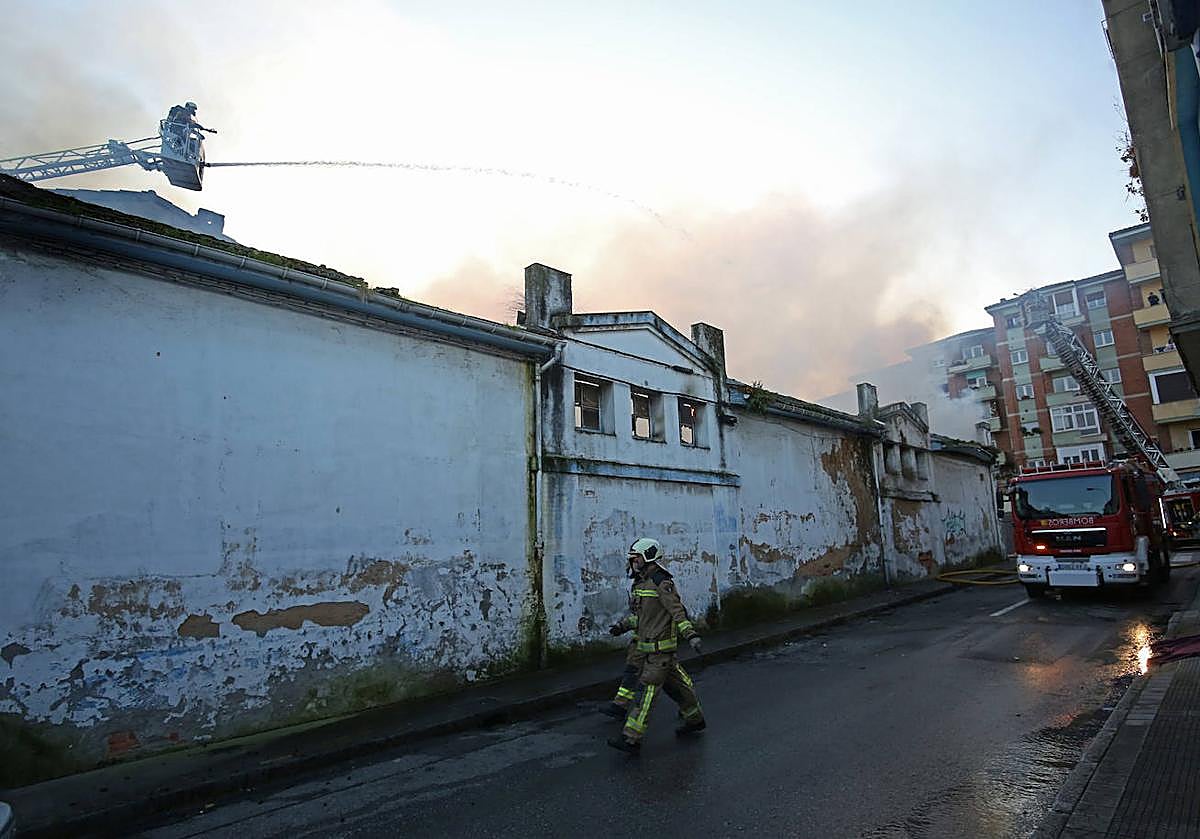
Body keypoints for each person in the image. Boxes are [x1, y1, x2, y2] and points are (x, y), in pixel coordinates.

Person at [607, 537, 706, 755]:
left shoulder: (662, 582)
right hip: (649, 651)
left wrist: (691, 635)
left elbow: (677, 612)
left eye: (636, 558)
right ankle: (695, 719)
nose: (633, 563)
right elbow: (643, 618)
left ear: (648, 557)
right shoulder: (641, 583)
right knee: (679, 688)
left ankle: (631, 739)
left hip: (659, 652)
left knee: (646, 693)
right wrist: (621, 626)